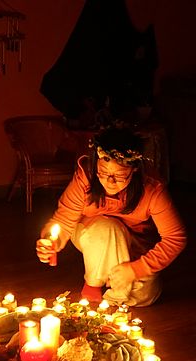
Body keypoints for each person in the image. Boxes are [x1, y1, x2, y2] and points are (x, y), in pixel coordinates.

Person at [35, 125, 186, 306]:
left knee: (145, 294)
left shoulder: (152, 189)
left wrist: (135, 270)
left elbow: (175, 238)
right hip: (92, 234)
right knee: (108, 228)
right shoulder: (86, 177)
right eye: (103, 172)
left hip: (133, 244)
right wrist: (52, 242)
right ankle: (94, 286)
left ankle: (113, 280)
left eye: (120, 175)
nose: (109, 181)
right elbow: (63, 220)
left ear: (135, 169)